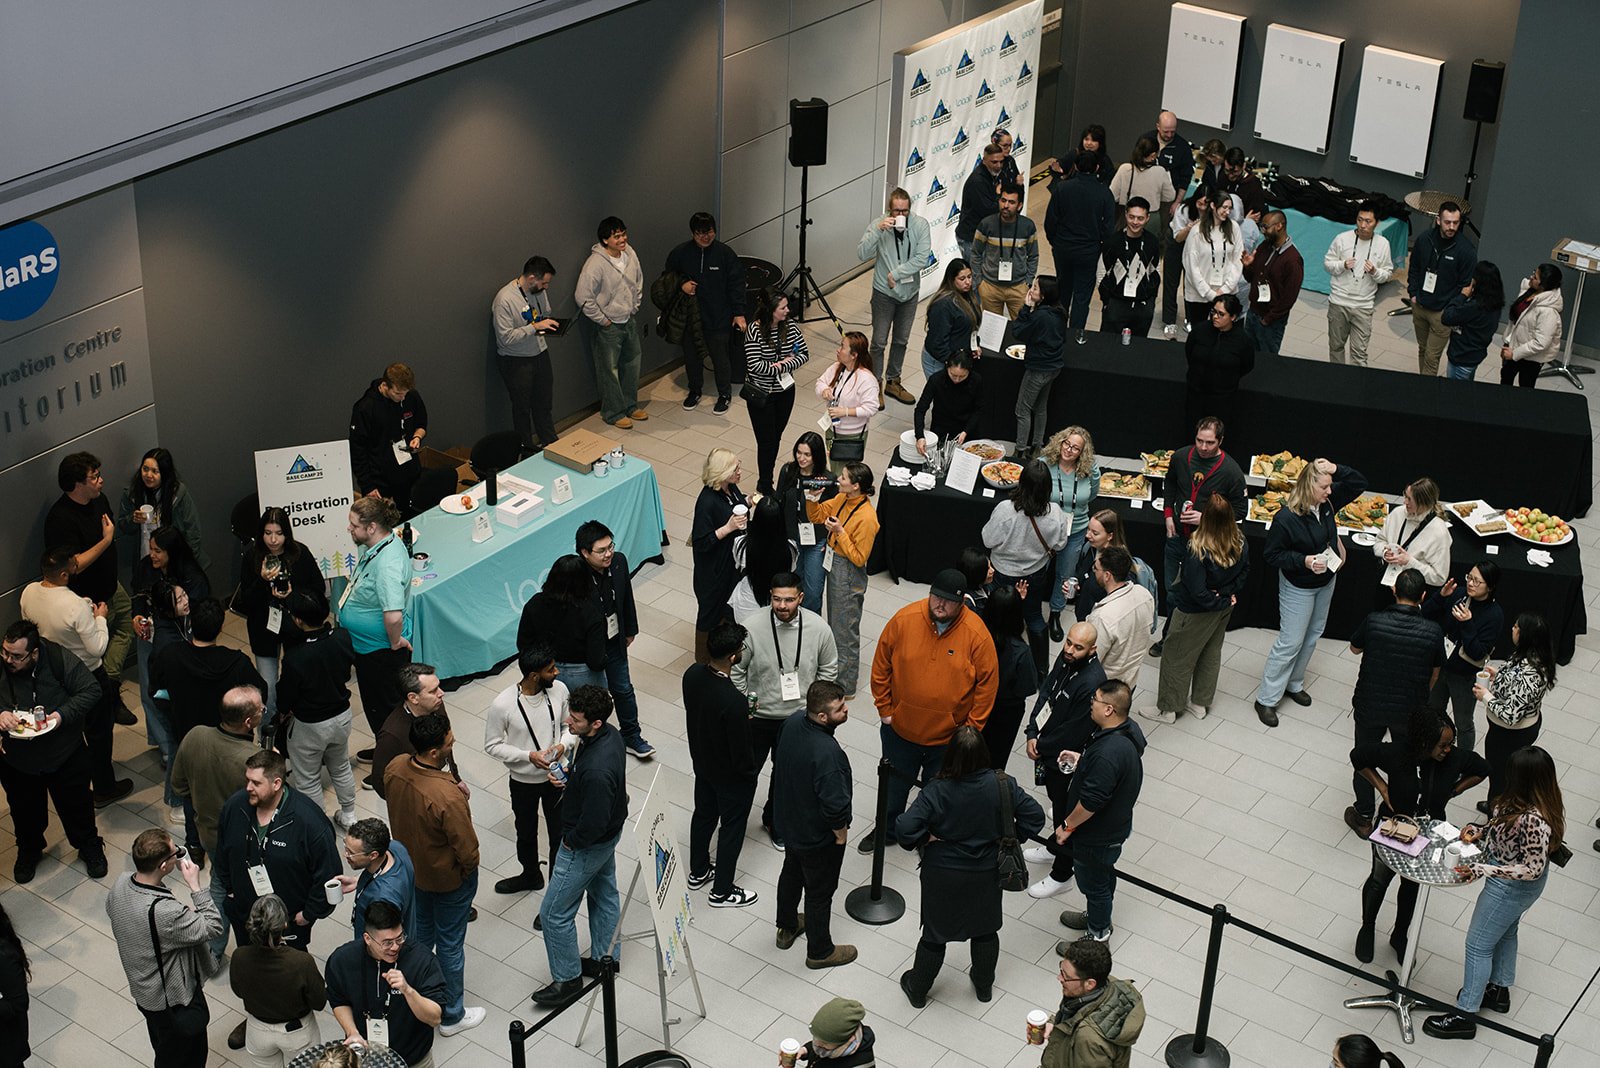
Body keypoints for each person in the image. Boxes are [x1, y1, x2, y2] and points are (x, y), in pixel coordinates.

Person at [894, 725, 1045, 1006]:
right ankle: (983, 985)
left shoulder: (936, 790)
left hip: (942, 872)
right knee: (985, 929)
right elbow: (1035, 816)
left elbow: (904, 828)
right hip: (987, 871)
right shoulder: (1002, 784)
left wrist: (926, 837)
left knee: (935, 934)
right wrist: (1010, 837)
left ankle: (918, 988)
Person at [1423, 745, 1564, 1040]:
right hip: (1508, 879)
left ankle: (1465, 1013)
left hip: (1510, 886)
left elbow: (1532, 869)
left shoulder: (1535, 821)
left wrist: (1484, 869)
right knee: (1506, 931)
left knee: (1478, 945)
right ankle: (1498, 989)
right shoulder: (1526, 801)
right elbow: (1502, 827)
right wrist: (1481, 830)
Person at [865, 571, 999, 851]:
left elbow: (987, 686)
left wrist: (971, 730)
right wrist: (885, 708)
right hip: (900, 731)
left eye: (948, 601)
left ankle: (926, 835)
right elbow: (881, 665)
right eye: (936, 597)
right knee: (892, 789)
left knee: (937, 792)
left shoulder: (976, 634)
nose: (940, 605)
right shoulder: (904, 619)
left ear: (962, 601)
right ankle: (887, 831)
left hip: (947, 739)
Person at [1350, 707, 1488, 963]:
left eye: (1450, 744)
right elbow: (1358, 757)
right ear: (1424, 741)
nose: (1448, 750)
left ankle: (1400, 936)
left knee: (1412, 886)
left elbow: (1482, 768)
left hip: (1429, 835)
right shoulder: (1396, 752)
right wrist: (1382, 787)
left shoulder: (1454, 758)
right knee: (1379, 879)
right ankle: (1367, 926)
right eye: (1442, 745)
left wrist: (1454, 791)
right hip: (1395, 826)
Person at [383, 713, 486, 1036]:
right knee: (451, 944)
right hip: (447, 881)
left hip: (411, 873)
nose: (452, 746)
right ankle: (452, 1014)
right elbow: (467, 849)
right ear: (433, 753)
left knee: (419, 938)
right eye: (449, 744)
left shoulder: (395, 767)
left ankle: (418, 997)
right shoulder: (446, 796)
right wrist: (467, 873)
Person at [1254, 458, 1369, 727]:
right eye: (1325, 487)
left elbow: (1359, 483)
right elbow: (1272, 554)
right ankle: (1267, 699)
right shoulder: (1286, 518)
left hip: (1326, 581)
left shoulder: (1327, 503)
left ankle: (1294, 683)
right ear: (1308, 486)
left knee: (1312, 635)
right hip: (1299, 587)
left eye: (1330, 486)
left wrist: (1336, 468)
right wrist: (1304, 561)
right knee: (1291, 641)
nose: (1330, 491)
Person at [534, 685, 628, 1006]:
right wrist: (571, 777)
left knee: (553, 913)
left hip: (586, 844)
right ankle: (606, 960)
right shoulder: (611, 737)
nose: (568, 724)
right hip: (609, 836)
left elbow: (594, 821)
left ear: (596, 723)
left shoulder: (598, 771)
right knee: (604, 894)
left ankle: (568, 979)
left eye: (575, 720)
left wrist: (571, 842)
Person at [20, 545, 133, 805]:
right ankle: (104, 787)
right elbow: (98, 648)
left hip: (53, 673)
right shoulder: (74, 605)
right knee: (99, 733)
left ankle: (75, 782)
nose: (76, 568)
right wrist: (100, 618)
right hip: (87, 675)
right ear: (63, 575)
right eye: (72, 566)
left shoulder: (28, 593)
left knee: (68, 731)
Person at [733, 572, 838, 847]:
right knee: (745, 773)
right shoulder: (752, 626)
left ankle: (775, 821)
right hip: (758, 718)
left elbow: (828, 670)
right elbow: (736, 669)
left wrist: (813, 710)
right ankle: (734, 821)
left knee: (786, 778)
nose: (782, 606)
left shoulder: (818, 628)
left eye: (789, 600)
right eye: (777, 599)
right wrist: (746, 704)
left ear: (801, 598)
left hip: (798, 720)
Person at [0, 619, 109, 882]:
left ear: (34, 653)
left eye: (16, 656)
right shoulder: (2, 663)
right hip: (18, 761)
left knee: (78, 806)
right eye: (4, 652)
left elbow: (91, 689)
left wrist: (60, 716)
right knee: (24, 812)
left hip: (65, 753)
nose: (8, 659)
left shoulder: (59, 659)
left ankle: (89, 847)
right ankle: (29, 850)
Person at [106, 828, 223, 1068]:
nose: (179, 854)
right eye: (174, 853)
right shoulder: (165, 913)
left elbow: (115, 912)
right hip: (174, 1001)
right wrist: (195, 886)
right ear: (163, 866)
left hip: (145, 993)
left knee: (163, 1045)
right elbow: (213, 927)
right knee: (185, 1057)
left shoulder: (121, 883)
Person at [149, 598, 267, 837]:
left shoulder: (171, 655)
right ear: (221, 627)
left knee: (194, 792)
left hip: (188, 735)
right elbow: (260, 690)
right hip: (231, 740)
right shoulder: (237, 662)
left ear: (190, 623)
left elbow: (156, 688)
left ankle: (194, 845)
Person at [1342, 569, 1446, 836]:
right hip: (1409, 711)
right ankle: (1397, 816)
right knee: (1403, 763)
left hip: (1370, 704)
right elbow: (1435, 672)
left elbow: (1354, 648)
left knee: (1364, 756)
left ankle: (1364, 815)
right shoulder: (1433, 631)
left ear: (1393, 590)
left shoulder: (1375, 621)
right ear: (1423, 596)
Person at [214, 749, 341, 962]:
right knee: (252, 960)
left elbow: (329, 875)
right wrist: (229, 888)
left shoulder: (309, 822)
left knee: (290, 968)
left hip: (288, 921)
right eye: (247, 780)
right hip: (246, 913)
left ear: (276, 783)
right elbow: (222, 851)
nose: (248, 788)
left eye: (256, 783)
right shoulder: (236, 807)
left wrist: (308, 914)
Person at [1048, 680, 1144, 943]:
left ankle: (1098, 934)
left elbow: (1090, 803)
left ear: (1110, 709)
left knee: (1094, 884)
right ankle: (1097, 916)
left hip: (1097, 834)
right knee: (1103, 876)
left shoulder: (1107, 753)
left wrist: (1066, 827)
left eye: (1096, 700)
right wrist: (1085, 761)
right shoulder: (1128, 732)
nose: (1091, 703)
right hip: (1115, 827)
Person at [170, 685, 262, 957]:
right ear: (249, 722)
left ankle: (213, 948)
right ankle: (220, 946)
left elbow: (178, 786)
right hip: (244, 841)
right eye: (261, 710)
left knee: (221, 880)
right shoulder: (251, 762)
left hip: (208, 833)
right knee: (227, 887)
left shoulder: (195, 735)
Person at [773, 680, 856, 969]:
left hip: (790, 822)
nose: (846, 710)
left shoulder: (794, 721)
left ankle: (786, 926)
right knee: (820, 893)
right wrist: (841, 835)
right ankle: (820, 951)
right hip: (817, 836)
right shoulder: (828, 754)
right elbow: (835, 805)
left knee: (792, 872)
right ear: (822, 717)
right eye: (839, 709)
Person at [1146, 492, 1249, 724]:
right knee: (1210, 654)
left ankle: (1169, 710)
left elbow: (1196, 590)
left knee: (1175, 656)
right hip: (1223, 610)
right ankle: (1200, 703)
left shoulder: (1198, 547)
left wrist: (1218, 599)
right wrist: (1225, 596)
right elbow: (1244, 573)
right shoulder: (1240, 540)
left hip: (1193, 612)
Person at [1023, 622, 1104, 899]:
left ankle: (1062, 873)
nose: (1069, 650)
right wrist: (1032, 730)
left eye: (1077, 647)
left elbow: (1073, 731)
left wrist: (1040, 745)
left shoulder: (1092, 683)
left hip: (1064, 758)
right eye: (1068, 642)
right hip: (1046, 749)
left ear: (1092, 649)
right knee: (1057, 804)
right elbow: (1046, 691)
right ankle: (1053, 847)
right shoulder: (1066, 658)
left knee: (1066, 811)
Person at [484, 644, 574, 894]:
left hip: (557, 778)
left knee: (559, 835)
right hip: (523, 780)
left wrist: (561, 746)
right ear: (534, 675)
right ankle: (530, 875)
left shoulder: (560, 691)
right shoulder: (503, 704)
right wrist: (527, 756)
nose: (556, 673)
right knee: (525, 832)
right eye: (550, 669)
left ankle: (556, 891)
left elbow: (570, 727)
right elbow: (492, 745)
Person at [682, 621, 760, 907]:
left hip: (702, 764)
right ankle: (722, 890)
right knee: (731, 828)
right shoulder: (733, 701)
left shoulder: (691, 675)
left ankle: (698, 870)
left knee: (703, 815)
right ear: (732, 657)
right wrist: (750, 775)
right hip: (730, 776)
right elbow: (740, 752)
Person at [237, 506, 328, 747]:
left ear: (287, 533)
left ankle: (297, 738)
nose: (273, 539)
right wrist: (261, 580)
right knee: (268, 688)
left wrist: (292, 594)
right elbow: (245, 600)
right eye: (267, 533)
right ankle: (267, 741)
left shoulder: (300, 554)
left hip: (294, 629)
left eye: (278, 533)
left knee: (297, 684)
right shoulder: (251, 556)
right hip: (263, 630)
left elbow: (318, 590)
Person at [45, 451, 136, 692]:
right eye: (95, 477)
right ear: (77, 484)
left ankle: (110, 682)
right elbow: (73, 565)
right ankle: (106, 692)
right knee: (93, 650)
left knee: (127, 628)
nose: (101, 481)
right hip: (86, 598)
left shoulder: (99, 500)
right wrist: (106, 541)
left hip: (111, 586)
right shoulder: (59, 519)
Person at [325, 899, 447, 1066]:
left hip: (413, 1059)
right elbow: (338, 999)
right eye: (387, 943)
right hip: (366, 1058)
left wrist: (408, 990)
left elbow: (435, 1018)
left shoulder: (422, 961)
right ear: (367, 939)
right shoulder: (343, 960)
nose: (395, 947)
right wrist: (352, 1031)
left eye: (399, 938)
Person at [133, 525, 211, 779]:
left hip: (178, 640)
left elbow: (198, 613)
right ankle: (166, 747)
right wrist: (137, 616)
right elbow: (137, 594)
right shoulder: (145, 567)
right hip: (148, 635)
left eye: (158, 551)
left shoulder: (192, 577)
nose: (152, 555)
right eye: (151, 549)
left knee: (176, 698)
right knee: (150, 691)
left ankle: (181, 745)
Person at [277, 592, 359, 831]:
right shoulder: (342, 636)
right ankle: (349, 815)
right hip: (342, 716)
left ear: (298, 620)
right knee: (340, 765)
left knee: (308, 778)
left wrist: (282, 712)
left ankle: (319, 827)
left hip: (310, 725)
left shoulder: (296, 657)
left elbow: (285, 696)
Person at [337, 496, 413, 752]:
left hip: (380, 652)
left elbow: (393, 615)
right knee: (378, 707)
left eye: (354, 525)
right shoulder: (379, 546)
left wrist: (395, 642)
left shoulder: (388, 563)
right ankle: (385, 748)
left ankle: (391, 763)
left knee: (384, 709)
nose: (349, 528)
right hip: (369, 648)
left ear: (371, 528)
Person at [576, 519, 653, 758]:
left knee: (624, 690)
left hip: (615, 639)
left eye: (610, 546)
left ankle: (632, 735)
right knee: (594, 699)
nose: (609, 553)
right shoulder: (575, 575)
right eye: (602, 551)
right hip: (588, 649)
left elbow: (626, 597)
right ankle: (595, 742)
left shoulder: (618, 562)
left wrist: (630, 629)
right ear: (585, 552)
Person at [984, 459, 1068, 674]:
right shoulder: (1056, 512)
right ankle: (1041, 671)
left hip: (1001, 573)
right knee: (1034, 617)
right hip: (1034, 574)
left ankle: (991, 664)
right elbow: (1060, 543)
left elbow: (988, 540)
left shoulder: (1005, 510)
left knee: (997, 617)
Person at [230, 894, 327, 1068]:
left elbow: (238, 991)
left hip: (257, 1031)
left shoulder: (239, 956)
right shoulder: (301, 962)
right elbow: (319, 1001)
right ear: (284, 924)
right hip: (297, 1033)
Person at [807, 462, 880, 693]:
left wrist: (840, 533)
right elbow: (817, 516)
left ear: (856, 486)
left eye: (844, 478)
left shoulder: (867, 518)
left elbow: (860, 558)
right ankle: (835, 674)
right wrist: (812, 499)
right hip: (835, 561)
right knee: (836, 623)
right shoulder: (842, 499)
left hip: (848, 570)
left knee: (845, 628)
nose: (838, 479)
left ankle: (846, 685)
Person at [664, 213, 746, 411]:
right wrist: (682, 284)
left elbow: (737, 285)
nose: (706, 237)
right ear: (693, 233)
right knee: (692, 358)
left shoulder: (725, 254)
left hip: (718, 317)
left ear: (714, 230)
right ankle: (695, 391)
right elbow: (667, 277)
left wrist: (738, 313)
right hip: (690, 319)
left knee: (720, 358)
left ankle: (724, 394)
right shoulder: (680, 253)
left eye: (709, 231)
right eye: (700, 233)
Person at [857, 187, 931, 405]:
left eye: (904, 211)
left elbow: (922, 258)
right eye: (896, 211)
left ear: (910, 209)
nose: (900, 216)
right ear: (889, 210)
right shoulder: (879, 225)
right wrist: (879, 230)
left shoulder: (920, 225)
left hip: (909, 294)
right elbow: (861, 253)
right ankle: (874, 384)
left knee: (901, 340)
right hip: (883, 293)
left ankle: (893, 381)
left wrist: (896, 274)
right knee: (879, 342)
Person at [1421, 562, 1504, 754]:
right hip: (1440, 665)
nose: (1471, 584)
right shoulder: (1458, 594)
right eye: (1470, 577)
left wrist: (1467, 623)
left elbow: (1477, 652)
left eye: (1477, 581)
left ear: (1490, 587)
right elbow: (1425, 613)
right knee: (1433, 709)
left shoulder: (1494, 615)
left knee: (1463, 722)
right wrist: (1441, 597)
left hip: (1464, 675)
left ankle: (1462, 760)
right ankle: (1437, 747)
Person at [1476, 613, 1556, 807]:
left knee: (1500, 776)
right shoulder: (1529, 655)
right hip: (1509, 730)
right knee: (1502, 774)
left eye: (1516, 627)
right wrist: (1500, 674)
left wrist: (1485, 695)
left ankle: (1495, 816)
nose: (1512, 628)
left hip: (1510, 734)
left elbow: (1511, 715)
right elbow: (1515, 678)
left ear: (1525, 635)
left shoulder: (1532, 674)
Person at [576, 215, 648, 429]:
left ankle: (630, 405)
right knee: (609, 370)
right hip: (608, 326)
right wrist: (603, 320)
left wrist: (635, 305)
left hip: (629, 320)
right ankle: (613, 412)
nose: (622, 239)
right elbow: (582, 297)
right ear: (605, 240)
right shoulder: (595, 264)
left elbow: (639, 280)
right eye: (617, 236)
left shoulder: (630, 253)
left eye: (623, 233)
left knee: (632, 364)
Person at [743, 288, 811, 495]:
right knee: (766, 441)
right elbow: (755, 365)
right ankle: (765, 482)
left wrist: (779, 365)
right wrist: (783, 363)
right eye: (783, 307)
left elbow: (804, 354)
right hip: (761, 394)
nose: (787, 311)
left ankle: (766, 478)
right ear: (771, 310)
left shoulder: (790, 326)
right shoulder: (754, 330)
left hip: (785, 391)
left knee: (776, 437)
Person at [491, 254, 561, 453]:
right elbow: (505, 338)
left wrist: (547, 324)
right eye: (544, 283)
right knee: (522, 408)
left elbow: (544, 312)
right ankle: (526, 448)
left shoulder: (537, 291)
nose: (546, 287)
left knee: (544, 403)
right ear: (532, 278)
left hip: (539, 353)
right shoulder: (504, 299)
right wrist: (535, 327)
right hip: (515, 361)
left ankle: (551, 442)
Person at [1040, 938, 1146, 1066]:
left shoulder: (1088, 1039)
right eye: (1061, 970)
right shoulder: (1106, 986)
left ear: (1090, 984)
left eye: (1066, 976)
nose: (1059, 978)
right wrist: (1054, 1024)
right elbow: (1076, 1017)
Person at [1045, 149, 1117, 339]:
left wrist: (1055, 242)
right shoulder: (1104, 194)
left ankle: (1058, 333)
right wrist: (1099, 247)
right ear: (1097, 168)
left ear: (1075, 166)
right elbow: (1109, 228)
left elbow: (1050, 221)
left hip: (1063, 249)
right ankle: (1076, 336)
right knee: (1082, 297)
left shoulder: (1062, 188)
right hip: (1089, 252)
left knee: (1063, 292)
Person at [690, 448, 751, 661]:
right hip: (713, 574)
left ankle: (726, 655)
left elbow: (736, 505)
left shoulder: (731, 488)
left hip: (731, 567)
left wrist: (749, 501)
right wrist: (728, 527)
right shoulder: (707, 501)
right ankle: (704, 661)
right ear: (722, 472)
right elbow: (700, 542)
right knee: (710, 616)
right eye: (736, 469)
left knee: (728, 612)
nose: (740, 472)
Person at [1042, 428, 1099, 643]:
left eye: (1076, 448)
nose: (1069, 449)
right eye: (1066, 443)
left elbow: (1091, 495)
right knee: (1037, 571)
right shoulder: (1045, 463)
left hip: (1075, 530)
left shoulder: (1090, 470)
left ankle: (1055, 614)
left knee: (1065, 576)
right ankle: (1030, 610)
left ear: (1082, 453)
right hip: (1046, 530)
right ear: (1060, 442)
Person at [370, 663, 461, 800]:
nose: (441, 693)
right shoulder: (392, 735)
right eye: (433, 691)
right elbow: (379, 781)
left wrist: (456, 779)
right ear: (413, 698)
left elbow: (445, 745)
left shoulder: (436, 706)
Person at [1407, 201, 1477, 377]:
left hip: (1442, 314)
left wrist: (1450, 309)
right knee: (1423, 349)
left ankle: (1425, 395)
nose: (1452, 227)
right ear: (1438, 220)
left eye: (1456, 222)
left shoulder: (1466, 250)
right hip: (1420, 305)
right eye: (1448, 222)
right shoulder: (1424, 239)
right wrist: (1413, 293)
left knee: (1432, 356)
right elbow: (1414, 268)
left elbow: (1466, 285)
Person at [348, 362, 428, 514]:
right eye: (398, 394)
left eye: (406, 393)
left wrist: (417, 437)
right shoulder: (365, 408)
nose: (403, 397)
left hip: (408, 472)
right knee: (380, 523)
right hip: (380, 481)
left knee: (409, 517)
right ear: (385, 385)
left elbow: (421, 424)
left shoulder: (411, 396)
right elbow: (357, 451)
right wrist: (368, 485)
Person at [517, 553, 606, 686]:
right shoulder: (591, 612)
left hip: (545, 671)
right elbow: (596, 661)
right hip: (582, 674)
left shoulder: (535, 603)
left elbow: (524, 644)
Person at [1324, 203, 1395, 365]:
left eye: (1368, 221)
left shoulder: (1383, 244)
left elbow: (1387, 274)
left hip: (1363, 306)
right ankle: (1338, 381)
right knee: (1336, 347)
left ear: (1377, 223)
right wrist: (1342, 265)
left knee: (1359, 353)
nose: (1363, 225)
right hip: (1339, 302)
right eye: (1360, 220)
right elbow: (1327, 264)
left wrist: (1375, 272)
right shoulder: (1342, 239)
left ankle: (1356, 387)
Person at [116, 446, 209, 569]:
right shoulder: (131, 494)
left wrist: (186, 564)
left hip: (174, 560)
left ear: (165, 474)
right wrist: (133, 520)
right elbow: (122, 526)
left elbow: (193, 531)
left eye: (155, 471)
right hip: (146, 559)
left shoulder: (179, 493)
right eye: (145, 469)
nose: (148, 475)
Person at [980, 585, 1038, 770]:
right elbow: (1027, 687)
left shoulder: (977, 637)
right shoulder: (1020, 652)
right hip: (1005, 712)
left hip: (976, 702)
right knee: (996, 756)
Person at [775, 432, 833, 613]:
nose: (801, 458)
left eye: (807, 454)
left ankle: (811, 625)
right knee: (793, 585)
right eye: (799, 453)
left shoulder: (827, 479)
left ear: (816, 455)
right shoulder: (788, 471)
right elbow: (779, 501)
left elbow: (834, 512)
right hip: (792, 538)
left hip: (817, 541)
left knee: (814, 590)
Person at [1069, 509, 1159, 625]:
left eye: (1095, 533)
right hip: (1085, 618)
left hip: (1102, 625)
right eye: (1088, 529)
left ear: (1110, 535)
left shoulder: (1120, 566)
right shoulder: (1089, 548)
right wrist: (1076, 587)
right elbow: (1082, 576)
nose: (1088, 535)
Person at [335, 817, 415, 942]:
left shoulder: (383, 899)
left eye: (351, 853)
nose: (345, 855)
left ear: (373, 855)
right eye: (345, 846)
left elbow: (384, 942)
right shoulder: (395, 848)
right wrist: (358, 880)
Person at [1085, 548, 1156, 688]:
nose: (1094, 571)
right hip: (1130, 681)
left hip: (1105, 687)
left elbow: (1092, 659)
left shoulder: (1103, 617)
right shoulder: (1144, 595)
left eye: (1096, 569)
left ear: (1107, 576)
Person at [1013, 276, 1068, 457]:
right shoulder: (1059, 311)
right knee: (1040, 407)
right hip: (1054, 367)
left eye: (1035, 288)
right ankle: (1037, 445)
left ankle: (1020, 450)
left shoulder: (1040, 316)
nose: (1031, 290)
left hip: (1038, 368)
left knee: (1022, 409)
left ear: (1044, 295)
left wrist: (1026, 309)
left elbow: (1018, 332)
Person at [1184, 294, 1255, 433]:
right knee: (1192, 429)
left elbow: (1247, 365)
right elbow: (1190, 352)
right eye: (1213, 312)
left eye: (1221, 314)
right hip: (1196, 393)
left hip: (1222, 399)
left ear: (1233, 317)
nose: (1215, 317)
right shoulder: (1200, 330)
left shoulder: (1242, 341)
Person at [1096, 196, 1161, 339]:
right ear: (1126, 215)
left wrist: (1150, 300)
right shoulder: (1112, 242)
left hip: (1142, 306)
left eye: (1140, 218)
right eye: (1132, 217)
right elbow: (1101, 273)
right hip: (1116, 304)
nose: (1135, 222)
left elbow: (1155, 271)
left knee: (1138, 347)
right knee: (1107, 344)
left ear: (1147, 218)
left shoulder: (1152, 242)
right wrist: (1107, 301)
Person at [1240, 210, 1303, 355]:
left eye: (1266, 227)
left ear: (1279, 226)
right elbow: (1251, 278)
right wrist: (1247, 266)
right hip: (1253, 313)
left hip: (1271, 321)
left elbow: (1289, 298)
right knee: (1248, 355)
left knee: (1267, 362)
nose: (1263, 231)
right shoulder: (1264, 246)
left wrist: (1268, 319)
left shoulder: (1293, 260)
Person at [816, 331, 880, 472]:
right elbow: (820, 382)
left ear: (854, 355)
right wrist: (824, 390)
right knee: (834, 467)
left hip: (852, 435)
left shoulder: (866, 379)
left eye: (843, 347)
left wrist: (845, 412)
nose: (838, 350)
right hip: (832, 430)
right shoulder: (836, 368)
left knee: (846, 474)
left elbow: (871, 408)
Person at [1371, 478, 1451, 590]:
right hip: (1386, 582)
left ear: (1423, 503)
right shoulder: (1397, 513)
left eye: (1410, 499)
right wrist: (1384, 552)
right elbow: (1379, 541)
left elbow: (1438, 578)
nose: (1405, 502)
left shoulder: (1439, 532)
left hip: (1412, 593)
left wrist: (1409, 562)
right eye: (1405, 496)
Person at [974, 182, 1038, 317]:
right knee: (992, 331)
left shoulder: (1027, 226)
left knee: (1021, 330)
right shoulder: (986, 224)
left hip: (1018, 287)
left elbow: (1033, 256)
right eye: (1003, 200)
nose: (1006, 206)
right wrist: (979, 281)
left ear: (1019, 205)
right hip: (990, 287)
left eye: (1011, 202)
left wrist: (1028, 281)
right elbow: (975, 253)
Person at [1181, 191, 1242, 332]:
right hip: (1199, 295)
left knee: (1223, 334)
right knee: (1200, 333)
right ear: (1213, 206)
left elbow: (1238, 261)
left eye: (1230, 208)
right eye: (1224, 207)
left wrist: (1225, 290)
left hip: (1226, 292)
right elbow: (1191, 266)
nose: (1227, 212)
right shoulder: (1197, 231)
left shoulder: (1234, 228)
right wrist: (1210, 294)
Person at [1500, 263, 1565, 387]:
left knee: (1526, 387)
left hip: (1530, 358)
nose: (1530, 277)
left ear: (1544, 284)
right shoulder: (1529, 290)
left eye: (1535, 277)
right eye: (1534, 272)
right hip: (1512, 347)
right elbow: (1516, 321)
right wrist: (1507, 341)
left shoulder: (1548, 312)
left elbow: (1541, 343)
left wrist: (1515, 354)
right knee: (1505, 379)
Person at [1441, 261, 1506, 381]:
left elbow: (1447, 317)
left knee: (1455, 394)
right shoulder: (1495, 304)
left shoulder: (1474, 307)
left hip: (1461, 357)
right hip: (1475, 355)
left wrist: (1462, 296)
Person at [1160, 185, 1209, 338]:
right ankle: (1169, 321)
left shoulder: (1213, 213)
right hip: (1177, 244)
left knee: (1192, 283)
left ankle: (1191, 318)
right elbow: (1178, 238)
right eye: (1199, 203)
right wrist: (1189, 228)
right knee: (1171, 282)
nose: (1202, 207)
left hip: (1196, 249)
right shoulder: (1184, 210)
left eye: (1206, 204)